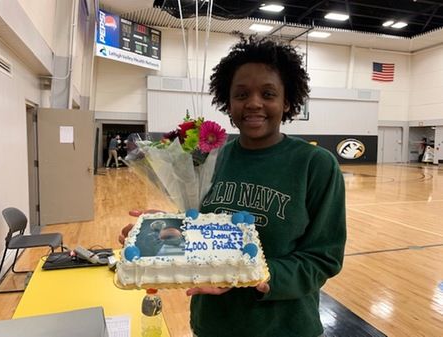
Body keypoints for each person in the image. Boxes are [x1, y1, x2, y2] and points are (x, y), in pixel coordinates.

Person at [121, 35, 346, 337]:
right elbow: (202, 236)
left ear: (287, 101)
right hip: (214, 324)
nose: (254, 103)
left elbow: (323, 258)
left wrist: (254, 275)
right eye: (241, 95)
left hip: (284, 327)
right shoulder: (208, 159)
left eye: (268, 94)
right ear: (228, 102)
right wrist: (158, 232)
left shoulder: (315, 164)